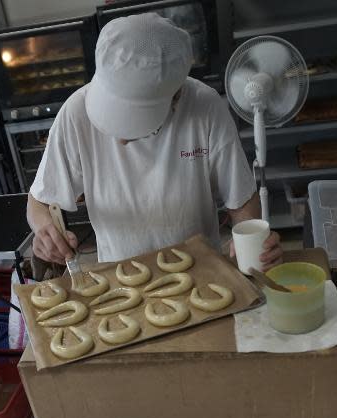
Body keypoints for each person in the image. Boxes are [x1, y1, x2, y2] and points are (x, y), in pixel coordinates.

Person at [28, 11, 283, 270]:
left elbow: (240, 198)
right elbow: (39, 201)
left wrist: (250, 239)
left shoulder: (205, 107)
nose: (121, 141)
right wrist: (44, 231)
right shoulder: (75, 114)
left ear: (176, 97)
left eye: (135, 124)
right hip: (120, 277)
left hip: (202, 271)